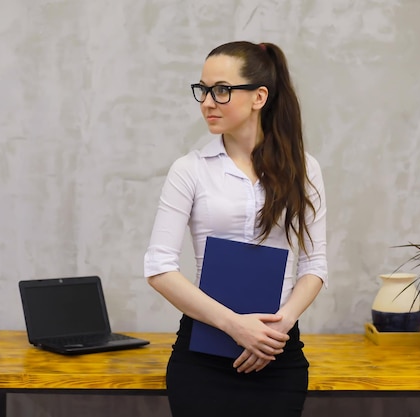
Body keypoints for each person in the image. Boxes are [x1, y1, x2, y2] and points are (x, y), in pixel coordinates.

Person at [144, 41, 327, 417]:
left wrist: (274, 332)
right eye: (204, 89)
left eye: (222, 90)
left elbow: (315, 266)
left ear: (259, 96)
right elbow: (159, 267)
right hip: (203, 359)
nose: (207, 102)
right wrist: (235, 326)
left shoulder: (304, 169)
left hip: (277, 355)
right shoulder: (190, 169)